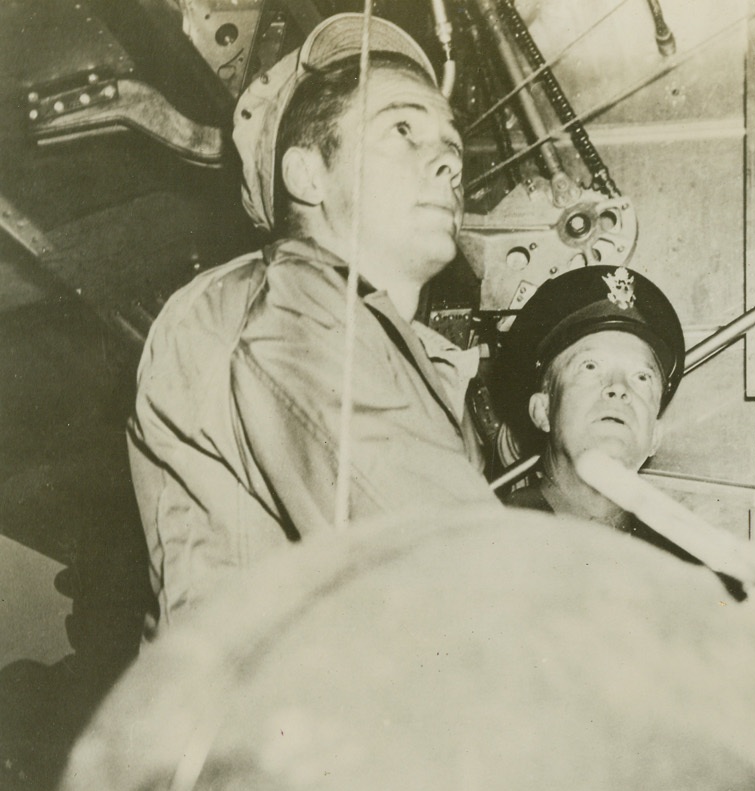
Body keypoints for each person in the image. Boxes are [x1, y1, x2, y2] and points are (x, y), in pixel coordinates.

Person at [127, 14, 498, 632]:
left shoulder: (390, 340)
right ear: (307, 176)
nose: (448, 163)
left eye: (452, 143)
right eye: (403, 129)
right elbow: (459, 575)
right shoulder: (286, 298)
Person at [493, 264, 686, 549]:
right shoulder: (486, 541)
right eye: (591, 366)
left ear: (655, 435)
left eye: (641, 377)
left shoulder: (687, 569)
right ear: (543, 411)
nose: (619, 388)